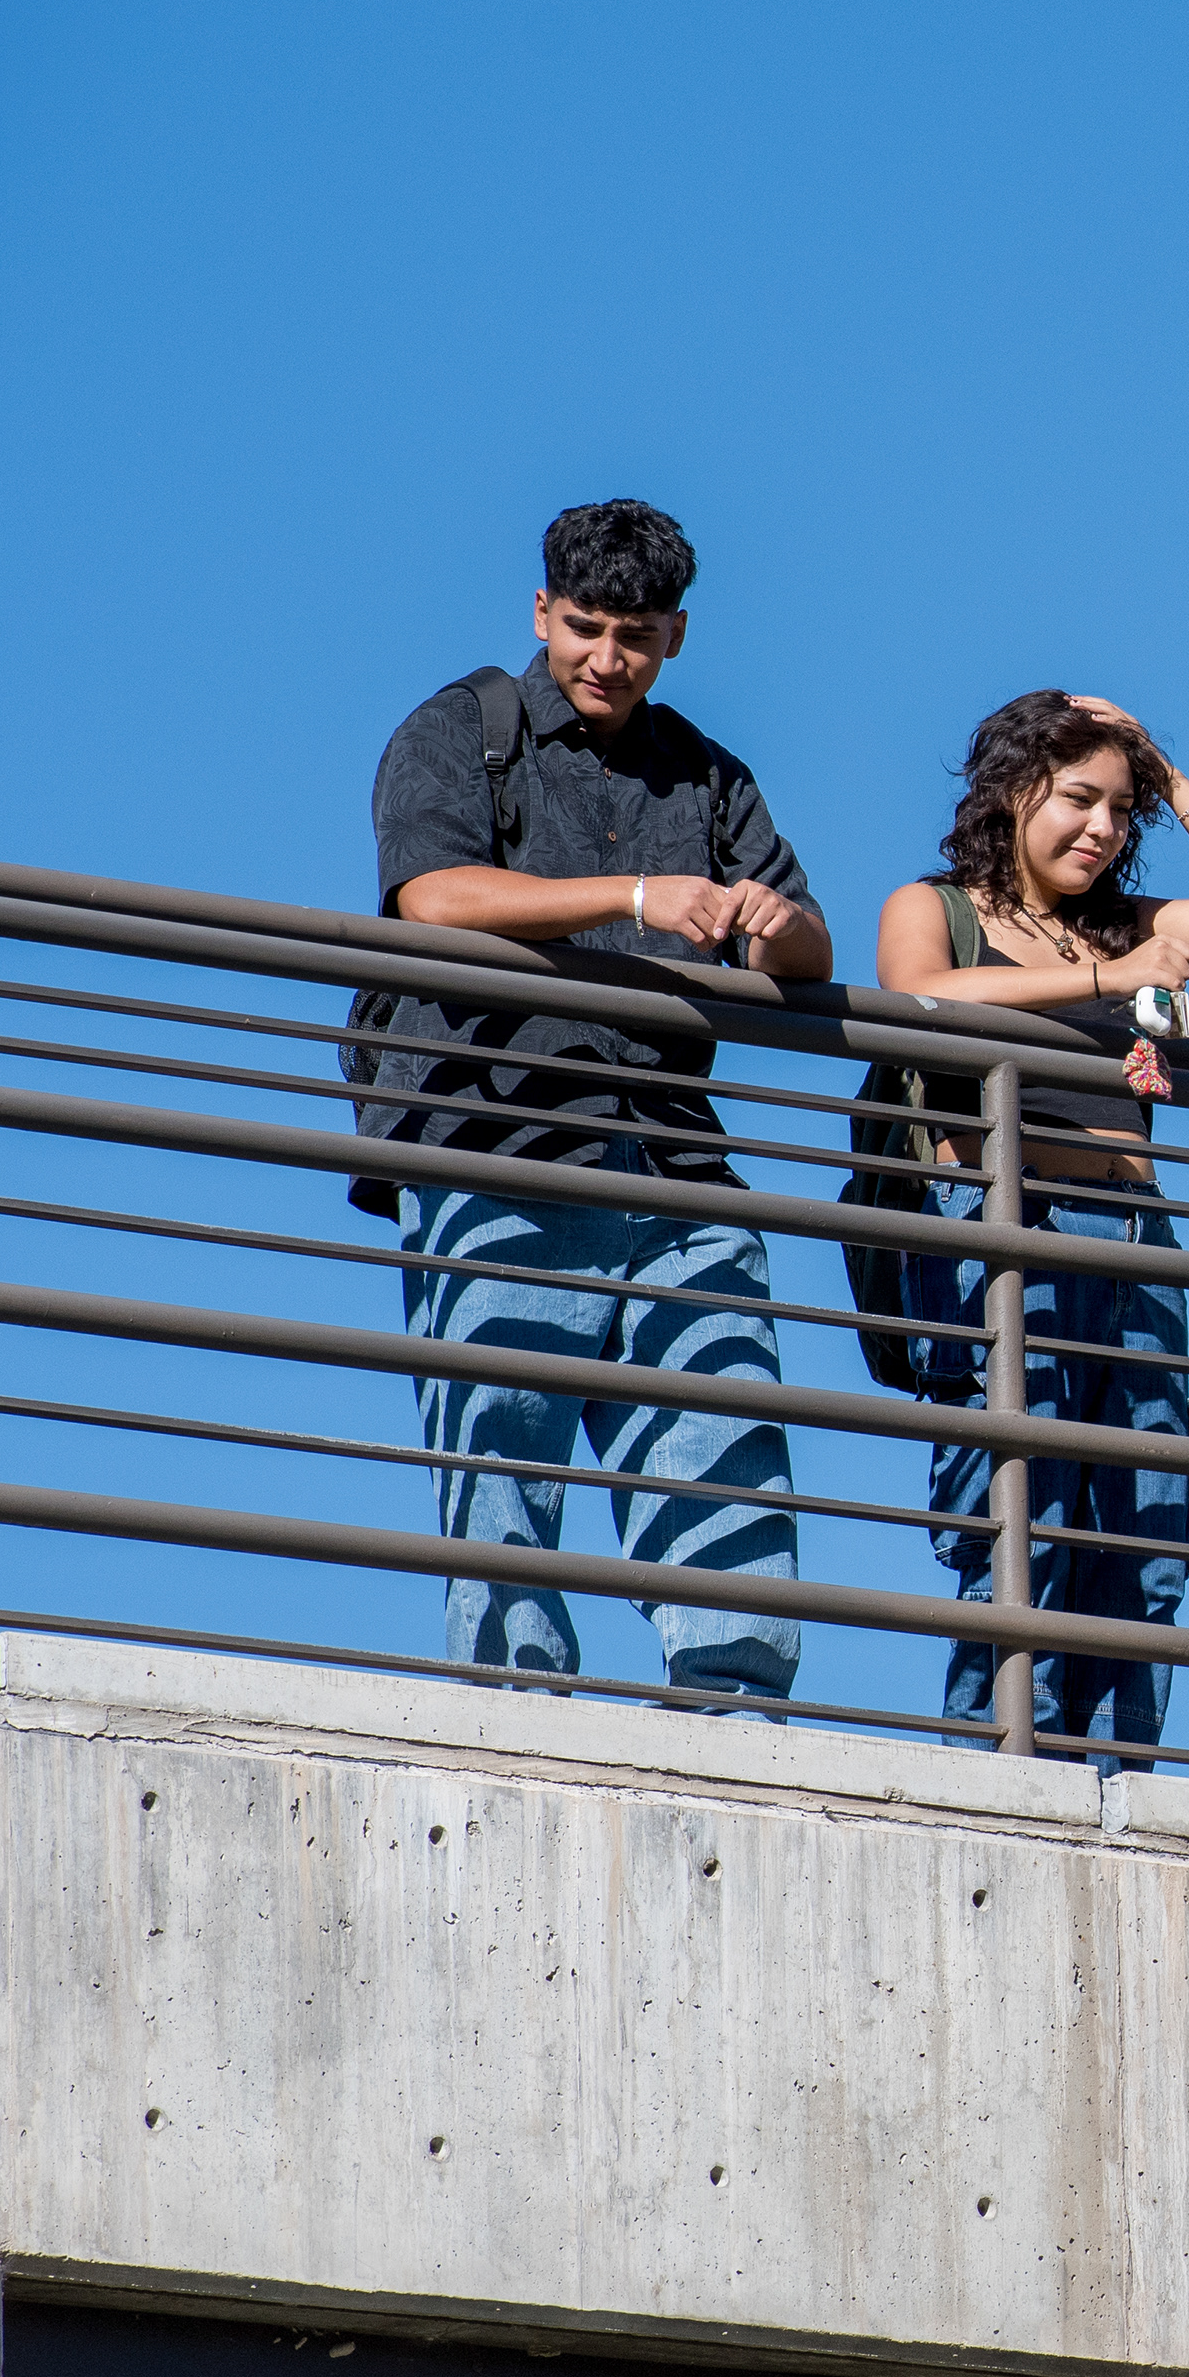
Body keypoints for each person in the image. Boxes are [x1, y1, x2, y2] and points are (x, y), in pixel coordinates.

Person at [362, 499, 831, 1702]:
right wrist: (636, 893)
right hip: (498, 1144)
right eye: (584, 628)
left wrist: (775, 929)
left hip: (676, 1166)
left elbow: (810, 951)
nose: (607, 660)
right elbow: (432, 898)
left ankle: (738, 1730)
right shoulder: (461, 727)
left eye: (636, 635)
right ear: (541, 612)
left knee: (728, 1462)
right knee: (499, 1467)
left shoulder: (708, 771)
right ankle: (519, 1727)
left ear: (676, 634)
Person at [877, 691, 1189, 1770]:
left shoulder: (1132, 921)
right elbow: (919, 998)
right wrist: (1110, 982)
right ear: (1013, 791)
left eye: (1124, 808)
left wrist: (1163, 766)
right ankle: (1002, 1780)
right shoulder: (937, 907)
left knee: (1145, 1535)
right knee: (1021, 1522)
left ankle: (1121, 1795)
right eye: (1079, 799)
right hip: (1005, 1229)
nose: (1104, 828)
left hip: (1136, 1249)